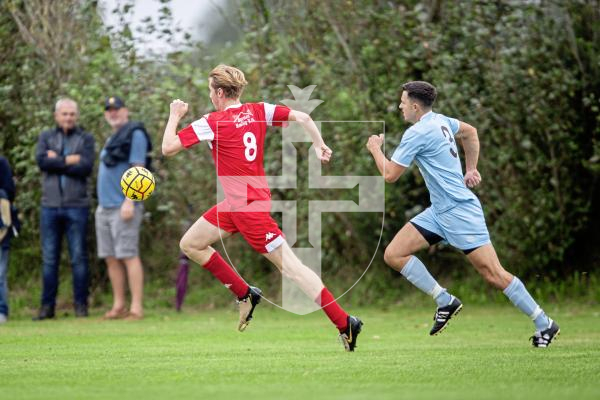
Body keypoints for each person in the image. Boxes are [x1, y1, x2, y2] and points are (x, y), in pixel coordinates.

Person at [161, 64, 363, 351]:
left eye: (210, 91)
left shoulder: (212, 121)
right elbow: (303, 116)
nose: (210, 96)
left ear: (219, 92)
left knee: (292, 269)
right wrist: (319, 145)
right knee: (191, 244)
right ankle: (245, 294)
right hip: (240, 202)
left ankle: (345, 323)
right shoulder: (258, 110)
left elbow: (168, 148)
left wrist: (174, 116)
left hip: (248, 209)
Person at [366, 81, 559, 348]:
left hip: (460, 211)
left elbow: (389, 175)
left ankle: (544, 323)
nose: (399, 106)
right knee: (394, 254)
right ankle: (445, 300)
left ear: (414, 106)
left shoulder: (417, 132)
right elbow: (470, 132)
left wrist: (375, 149)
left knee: (493, 274)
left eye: (402, 102)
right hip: (439, 211)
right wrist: (471, 169)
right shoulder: (441, 120)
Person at [34, 98, 95, 320]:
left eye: (71, 114)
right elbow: (42, 162)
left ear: (76, 116)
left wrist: (56, 160)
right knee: (50, 258)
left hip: (77, 206)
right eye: (64, 114)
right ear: (56, 116)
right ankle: (47, 308)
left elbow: (86, 167)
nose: (68, 117)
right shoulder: (46, 137)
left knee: (78, 258)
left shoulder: (85, 138)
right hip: (49, 206)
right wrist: (69, 160)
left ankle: (81, 307)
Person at [96, 96, 151, 320]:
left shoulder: (135, 133)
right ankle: (119, 305)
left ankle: (136, 307)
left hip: (123, 206)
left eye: (116, 109)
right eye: (109, 110)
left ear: (125, 111)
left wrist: (130, 201)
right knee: (111, 257)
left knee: (128, 255)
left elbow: (139, 169)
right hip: (104, 207)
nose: (113, 113)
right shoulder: (114, 137)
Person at [0, 156, 16, 324]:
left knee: (0, 274)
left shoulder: (2, 162)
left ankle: (2, 311)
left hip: (2, 228)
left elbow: (9, 192)